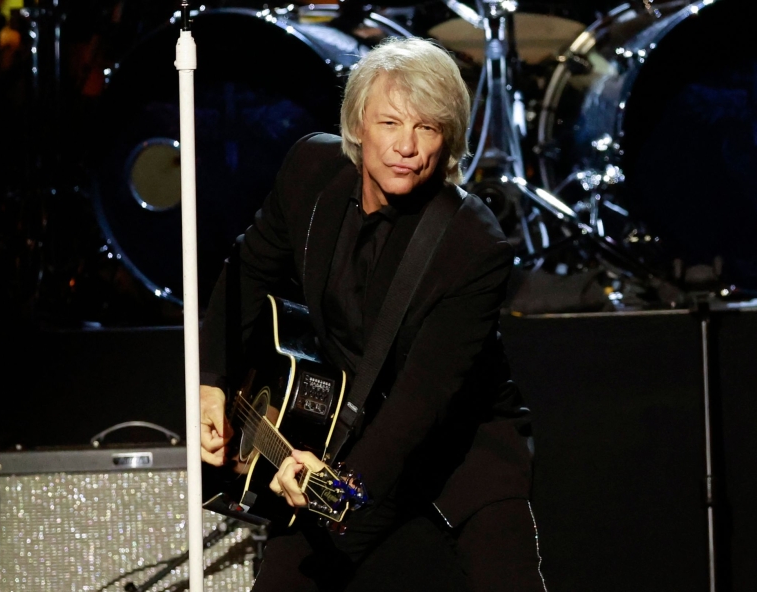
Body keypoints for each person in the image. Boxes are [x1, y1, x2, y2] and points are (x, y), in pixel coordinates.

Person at [199, 36, 544, 591]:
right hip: (343, 430)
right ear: (358, 126)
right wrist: (211, 380)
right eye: (390, 124)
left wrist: (340, 484)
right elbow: (249, 268)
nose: (406, 146)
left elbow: (423, 398)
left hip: (458, 445)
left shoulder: (472, 243)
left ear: (448, 138)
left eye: (426, 128)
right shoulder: (311, 169)